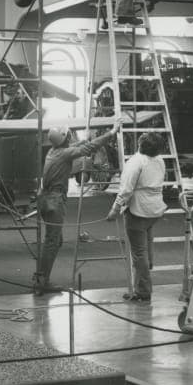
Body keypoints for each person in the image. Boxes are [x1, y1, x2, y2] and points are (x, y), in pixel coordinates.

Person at [33, 117, 122, 295]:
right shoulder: (65, 153)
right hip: (54, 201)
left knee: (54, 241)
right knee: (52, 242)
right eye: (69, 135)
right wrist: (111, 132)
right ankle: (41, 281)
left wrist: (84, 140)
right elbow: (89, 148)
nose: (70, 137)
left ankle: (41, 278)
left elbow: (77, 146)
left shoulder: (53, 151)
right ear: (65, 138)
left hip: (46, 200)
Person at [108, 131, 167, 302]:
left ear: (140, 144)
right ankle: (145, 275)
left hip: (138, 209)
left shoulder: (135, 162)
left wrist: (115, 209)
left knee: (139, 253)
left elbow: (126, 189)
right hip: (155, 208)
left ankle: (143, 290)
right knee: (146, 246)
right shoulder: (160, 160)